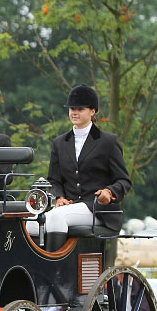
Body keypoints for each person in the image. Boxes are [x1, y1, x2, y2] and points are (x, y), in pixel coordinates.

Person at [27, 84, 131, 251]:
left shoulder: (108, 142)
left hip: (97, 210)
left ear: (92, 111)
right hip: (68, 206)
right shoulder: (59, 143)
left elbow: (123, 180)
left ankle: (56, 272)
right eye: (71, 109)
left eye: (80, 109)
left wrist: (109, 192)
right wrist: (59, 197)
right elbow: (54, 180)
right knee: (31, 222)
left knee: (56, 218)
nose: (74, 112)